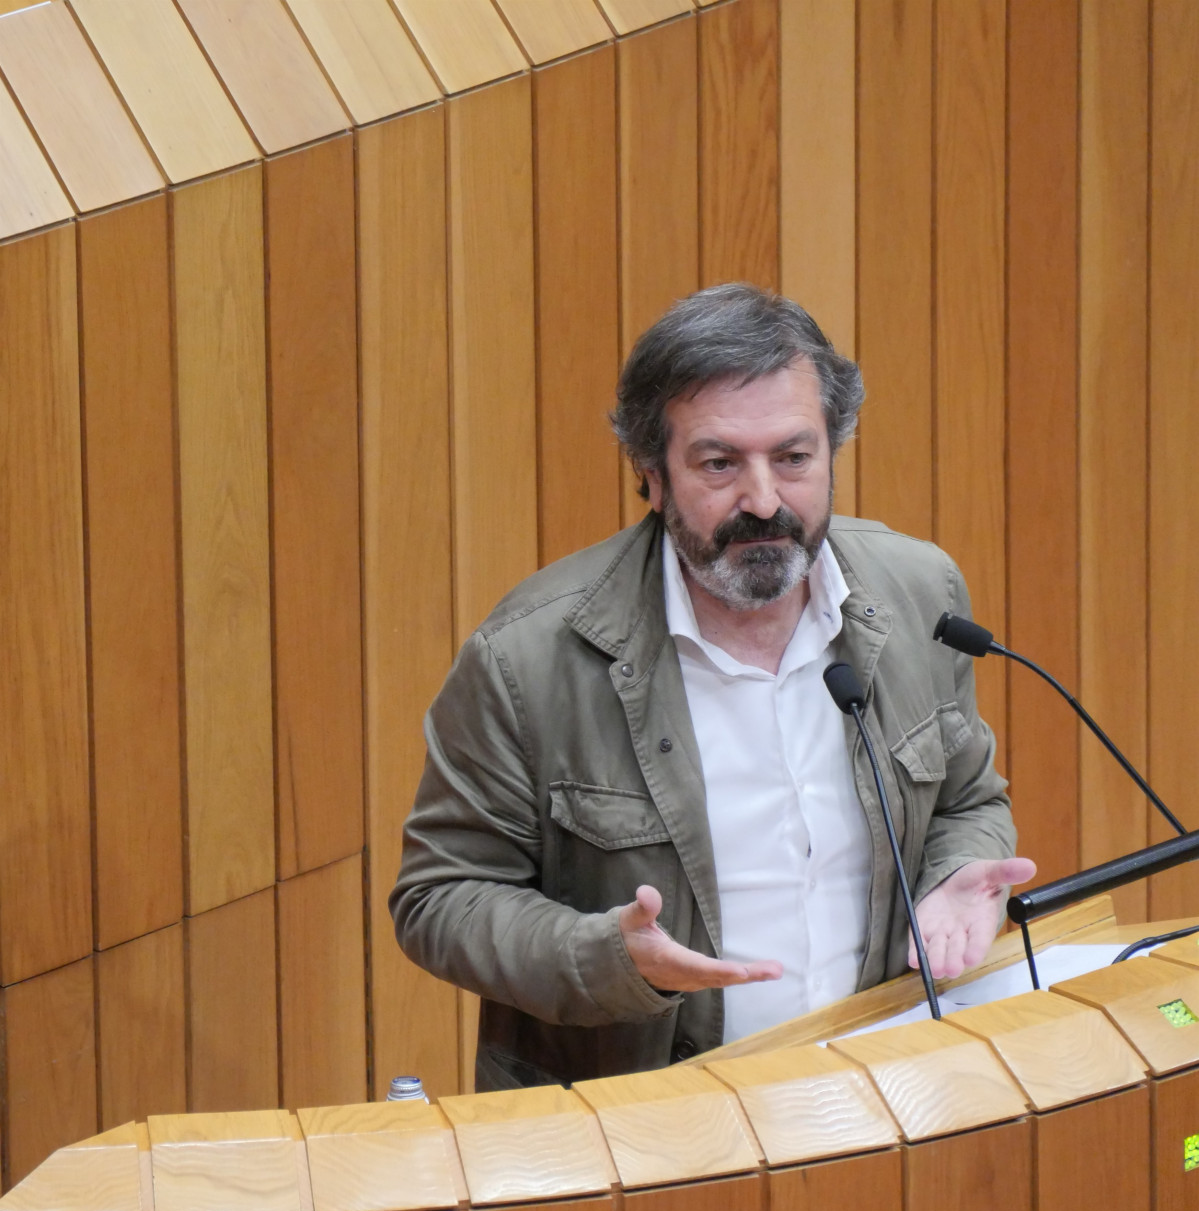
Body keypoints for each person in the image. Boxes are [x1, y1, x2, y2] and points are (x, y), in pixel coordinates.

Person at [390, 283, 1034, 1091]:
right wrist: (610, 959)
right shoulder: (527, 658)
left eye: (793, 458)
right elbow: (440, 897)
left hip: (881, 1089)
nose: (762, 500)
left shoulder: (917, 592)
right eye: (719, 462)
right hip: (644, 1126)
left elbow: (967, 801)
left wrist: (955, 878)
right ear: (651, 475)